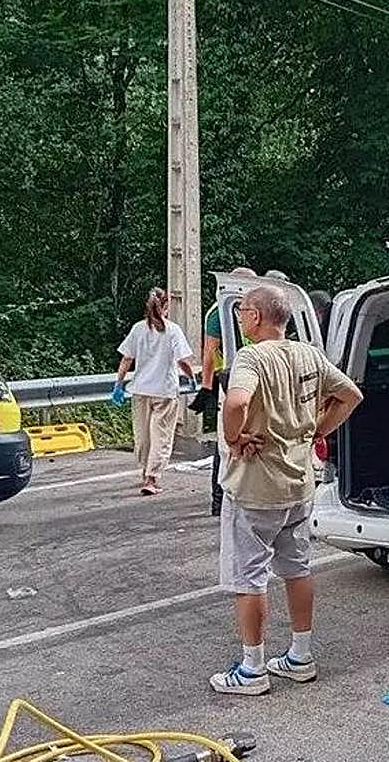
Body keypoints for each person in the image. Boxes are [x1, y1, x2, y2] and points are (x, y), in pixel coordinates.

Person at [210, 285, 362, 696]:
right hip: (299, 481)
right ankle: (300, 656)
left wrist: (233, 437)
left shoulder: (251, 357)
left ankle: (252, 668)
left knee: (249, 577)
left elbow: (237, 401)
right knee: (297, 567)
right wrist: (316, 431)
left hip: (257, 486)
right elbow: (350, 395)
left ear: (257, 317)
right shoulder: (308, 354)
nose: (240, 318)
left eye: (242, 312)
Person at [113, 289, 195, 496]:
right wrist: (191, 377)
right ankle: (152, 478)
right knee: (161, 436)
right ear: (166, 307)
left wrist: (118, 384)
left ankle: (144, 471)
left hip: (141, 390)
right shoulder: (173, 330)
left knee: (143, 435)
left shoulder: (138, 329)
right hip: (165, 391)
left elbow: (126, 359)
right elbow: (183, 361)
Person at [191, 266, 257, 517]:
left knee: (240, 435)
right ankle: (219, 500)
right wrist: (207, 387)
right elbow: (209, 351)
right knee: (226, 440)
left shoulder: (247, 309)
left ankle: (236, 494)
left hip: (245, 372)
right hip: (227, 378)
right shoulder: (221, 310)